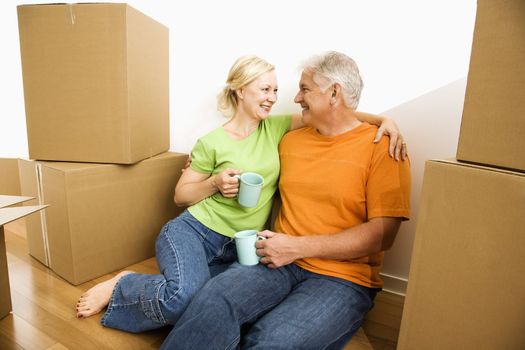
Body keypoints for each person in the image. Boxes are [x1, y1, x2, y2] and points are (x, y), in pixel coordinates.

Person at [75, 55, 407, 333]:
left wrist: (384, 119)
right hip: (199, 232)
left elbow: (340, 119)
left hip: (241, 246)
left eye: (280, 89)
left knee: (210, 303)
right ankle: (124, 286)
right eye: (265, 89)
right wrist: (214, 183)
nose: (280, 96)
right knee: (186, 299)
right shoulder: (226, 140)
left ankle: (138, 284)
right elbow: (181, 195)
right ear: (239, 91)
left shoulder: (280, 129)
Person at [160, 51, 411, 349]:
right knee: (213, 301)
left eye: (304, 89)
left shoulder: (382, 147)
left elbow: (383, 234)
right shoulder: (290, 138)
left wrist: (297, 247)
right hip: (276, 259)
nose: (295, 98)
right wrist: (203, 169)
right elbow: (244, 148)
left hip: (341, 278)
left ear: (334, 93)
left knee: (272, 341)